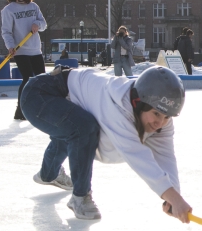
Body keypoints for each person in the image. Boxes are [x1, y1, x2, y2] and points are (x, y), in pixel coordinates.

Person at [19, 65, 191, 222]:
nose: (160, 123)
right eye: (156, 114)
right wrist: (174, 199)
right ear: (138, 103)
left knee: (72, 128)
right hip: (38, 94)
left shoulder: (159, 117)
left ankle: (48, 174)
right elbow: (139, 157)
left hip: (67, 100)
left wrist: (173, 195)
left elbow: (165, 155)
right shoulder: (117, 108)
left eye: (167, 117)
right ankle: (80, 197)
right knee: (82, 128)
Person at [1, 0, 48, 120]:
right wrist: (10, 46)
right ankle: (20, 111)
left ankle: (42, 108)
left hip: (35, 49)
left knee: (42, 80)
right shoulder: (8, 10)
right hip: (20, 50)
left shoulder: (34, 7)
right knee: (27, 78)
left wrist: (37, 25)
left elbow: (44, 24)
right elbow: (6, 32)